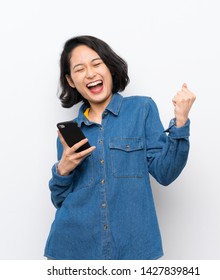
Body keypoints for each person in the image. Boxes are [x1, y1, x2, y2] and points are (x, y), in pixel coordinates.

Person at [44, 35, 196, 260]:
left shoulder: (141, 109)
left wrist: (181, 122)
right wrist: (63, 169)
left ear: (110, 68)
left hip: (134, 250)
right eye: (79, 69)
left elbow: (165, 173)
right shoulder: (70, 133)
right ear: (71, 80)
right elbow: (60, 201)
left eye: (96, 64)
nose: (90, 73)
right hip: (73, 251)